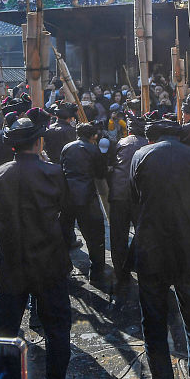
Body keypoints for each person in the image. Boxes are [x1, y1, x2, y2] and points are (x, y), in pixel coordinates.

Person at [0, 110, 85, 379]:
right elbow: (67, 210)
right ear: (38, 142)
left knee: (3, 330)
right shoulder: (53, 172)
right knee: (57, 329)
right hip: (47, 260)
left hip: (11, 262)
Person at [129, 115, 190, 379]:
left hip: (152, 248)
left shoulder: (140, 155)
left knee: (154, 326)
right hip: (188, 247)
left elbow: (134, 197)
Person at [59, 121, 108, 287]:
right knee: (95, 236)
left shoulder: (67, 147)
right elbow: (101, 173)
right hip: (86, 196)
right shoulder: (94, 149)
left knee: (64, 233)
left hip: (66, 196)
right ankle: (96, 273)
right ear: (93, 136)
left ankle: (63, 269)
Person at [108, 114, 148, 291]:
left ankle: (120, 272)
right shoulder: (148, 145)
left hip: (118, 194)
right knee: (143, 233)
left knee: (118, 235)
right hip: (138, 196)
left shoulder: (121, 143)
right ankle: (142, 268)